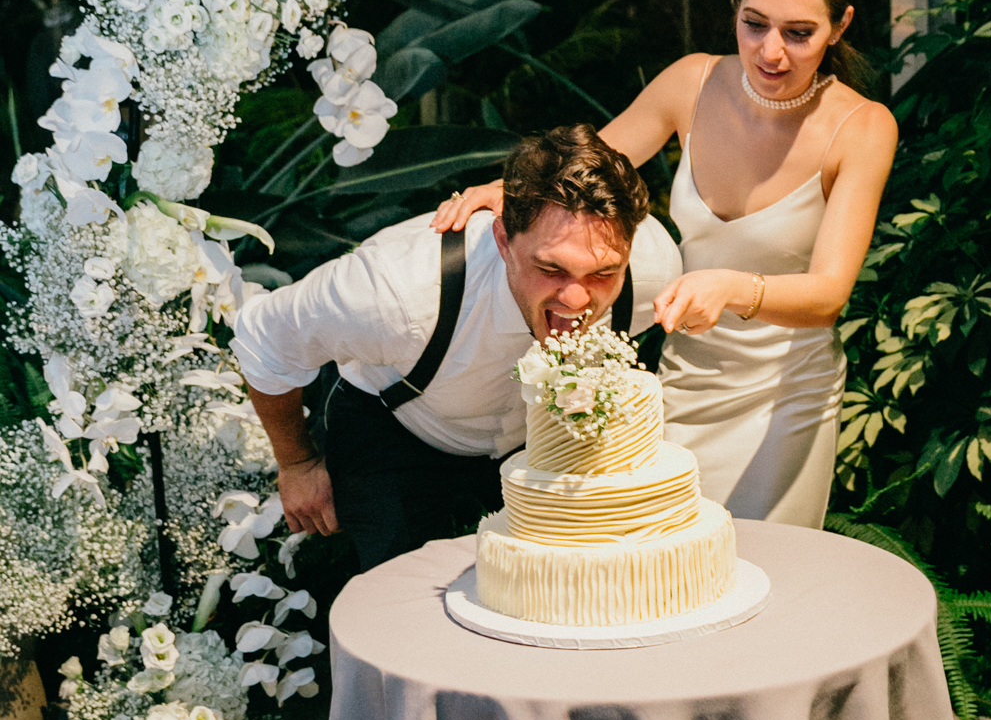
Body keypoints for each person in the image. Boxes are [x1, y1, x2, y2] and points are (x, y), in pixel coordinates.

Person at [434, 0, 898, 528]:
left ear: (840, 26)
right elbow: (584, 170)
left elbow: (830, 295)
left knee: (759, 571)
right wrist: (507, 191)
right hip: (683, 379)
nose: (771, 51)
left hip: (786, 399)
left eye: (799, 32)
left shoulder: (863, 128)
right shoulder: (694, 82)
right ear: (735, 4)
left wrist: (732, 288)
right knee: (660, 562)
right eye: (754, 23)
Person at [233, 124, 682, 571]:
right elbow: (265, 337)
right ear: (504, 239)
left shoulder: (654, 274)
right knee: (404, 606)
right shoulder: (395, 294)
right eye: (551, 268)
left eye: (602, 274)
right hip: (397, 438)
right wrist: (296, 463)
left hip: (536, 445)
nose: (577, 299)